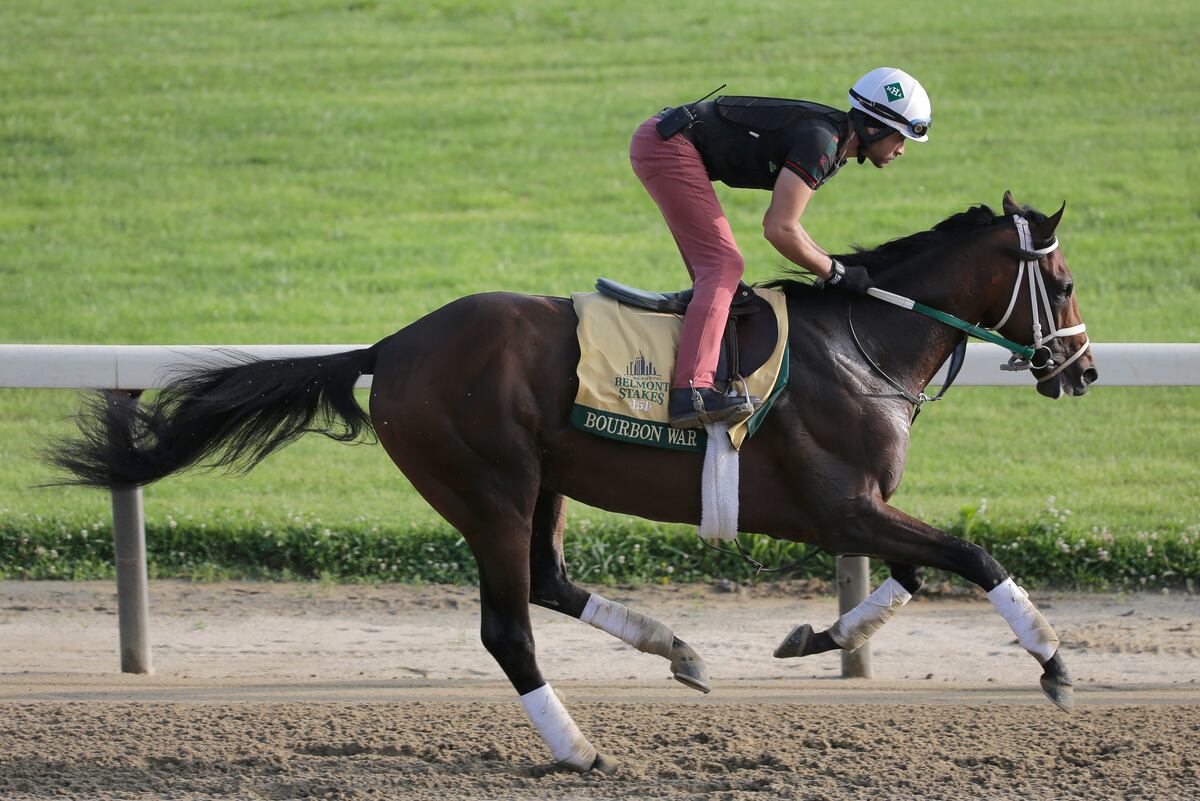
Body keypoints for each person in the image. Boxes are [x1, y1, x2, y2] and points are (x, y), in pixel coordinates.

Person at [630, 67, 932, 429]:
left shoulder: (832, 141)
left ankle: (709, 371)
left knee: (723, 276)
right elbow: (779, 229)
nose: (901, 149)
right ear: (873, 128)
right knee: (724, 266)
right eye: (899, 137)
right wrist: (835, 273)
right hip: (667, 144)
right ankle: (692, 393)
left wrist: (832, 268)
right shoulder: (822, 142)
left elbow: (790, 226)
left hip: (667, 139)